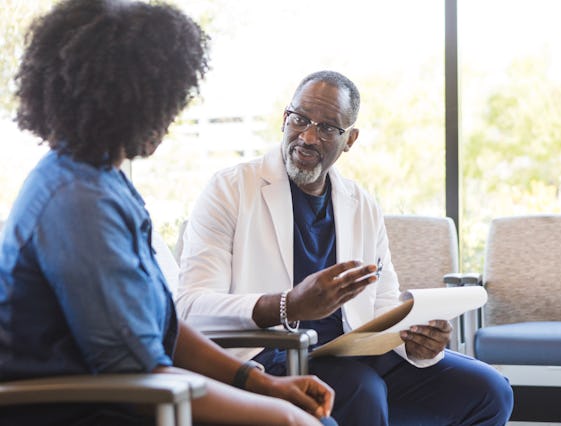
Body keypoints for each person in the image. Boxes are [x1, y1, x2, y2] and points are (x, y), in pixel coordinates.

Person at [0, 1, 335, 425]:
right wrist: (284, 418)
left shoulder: (99, 180)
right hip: (86, 410)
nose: (168, 120)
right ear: (126, 104)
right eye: (163, 105)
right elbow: (140, 375)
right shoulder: (78, 202)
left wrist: (260, 382)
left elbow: (160, 329)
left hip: (134, 396)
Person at [176, 70, 515, 426]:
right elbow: (189, 307)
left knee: (489, 391)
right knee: (362, 390)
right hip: (271, 355)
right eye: (300, 119)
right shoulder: (230, 189)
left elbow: (383, 302)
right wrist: (286, 305)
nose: (307, 136)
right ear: (284, 119)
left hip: (350, 352)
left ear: (349, 139)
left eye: (327, 128)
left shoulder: (362, 204)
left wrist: (415, 342)